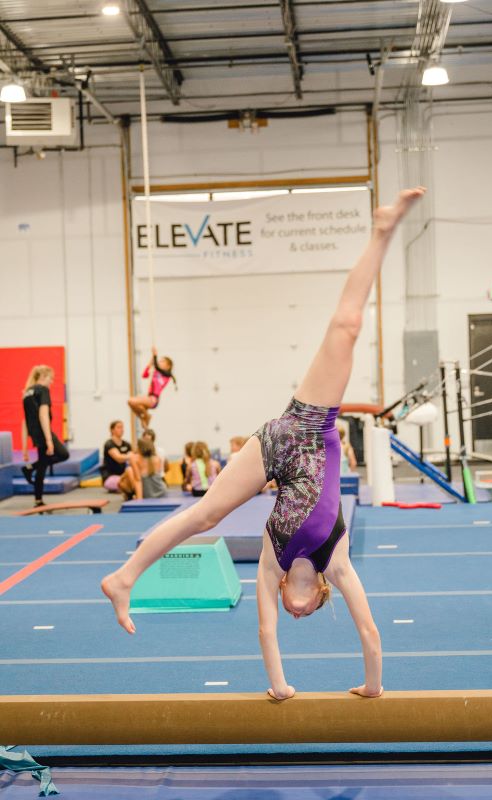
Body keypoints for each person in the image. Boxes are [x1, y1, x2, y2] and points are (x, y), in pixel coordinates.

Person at [102, 188, 425, 701]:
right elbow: (369, 633)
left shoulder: (271, 565)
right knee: (346, 326)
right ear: (320, 597)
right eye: (308, 612)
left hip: (275, 441)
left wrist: (281, 689)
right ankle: (383, 230)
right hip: (311, 423)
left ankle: (124, 576)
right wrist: (373, 687)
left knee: (206, 515)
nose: (294, 615)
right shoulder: (336, 562)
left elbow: (265, 633)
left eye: (291, 612)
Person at [21, 365, 69, 507]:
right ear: (42, 377)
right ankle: (29, 468)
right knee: (63, 454)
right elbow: (43, 415)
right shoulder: (43, 390)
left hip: (35, 434)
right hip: (43, 432)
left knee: (42, 465)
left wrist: (24, 446)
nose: (51, 382)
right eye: (50, 378)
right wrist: (49, 439)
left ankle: (38, 499)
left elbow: (25, 421)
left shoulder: (27, 392)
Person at [128, 346, 176, 429]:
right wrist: (152, 358)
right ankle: (144, 417)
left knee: (131, 400)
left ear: (168, 366)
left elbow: (157, 366)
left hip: (153, 399)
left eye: (163, 361)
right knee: (132, 404)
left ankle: (146, 416)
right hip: (149, 397)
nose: (160, 362)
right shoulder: (156, 371)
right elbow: (144, 375)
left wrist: (155, 356)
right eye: (160, 361)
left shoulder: (167, 375)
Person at [101, 420, 132, 492]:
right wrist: (129, 456)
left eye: (122, 427)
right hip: (110, 476)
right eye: (119, 427)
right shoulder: (109, 444)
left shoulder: (127, 444)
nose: (122, 429)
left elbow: (132, 458)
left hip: (123, 476)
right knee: (124, 484)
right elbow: (118, 458)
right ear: (112, 430)